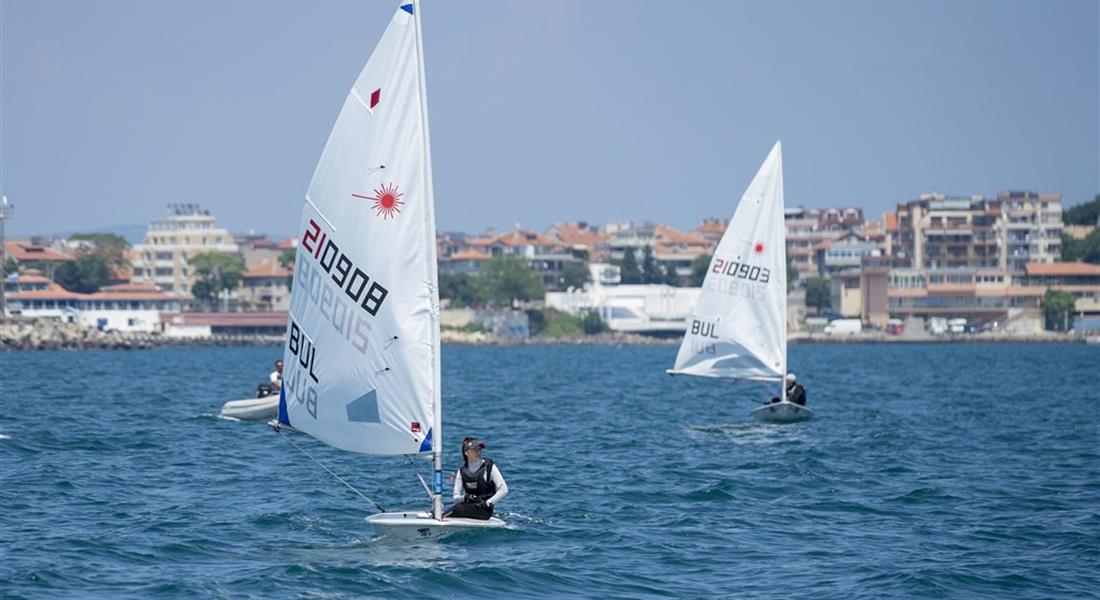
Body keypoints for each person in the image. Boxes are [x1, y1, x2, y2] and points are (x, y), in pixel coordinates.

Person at [442, 436, 508, 520]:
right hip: (469, 506)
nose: (478, 452)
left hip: (484, 510)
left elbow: (504, 489)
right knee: (449, 507)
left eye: (479, 449)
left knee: (458, 509)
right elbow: (456, 498)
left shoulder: (489, 467)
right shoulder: (461, 471)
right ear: (466, 452)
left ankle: (441, 518)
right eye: (474, 449)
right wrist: (466, 498)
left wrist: (488, 502)